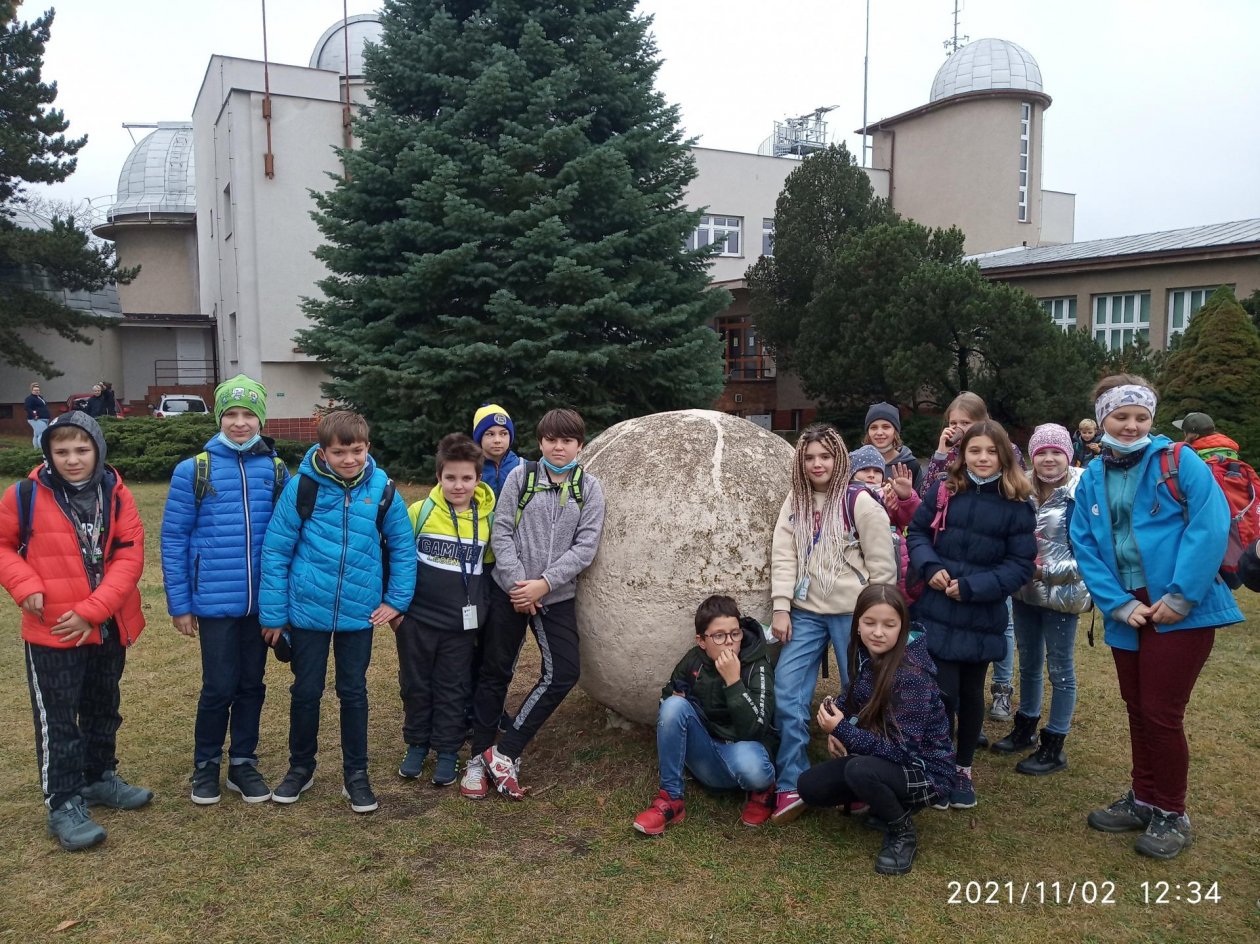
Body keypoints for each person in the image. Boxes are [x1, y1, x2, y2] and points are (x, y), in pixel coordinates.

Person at [1071, 376, 1243, 860]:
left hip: (1179, 607)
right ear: (1102, 419)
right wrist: (1117, 603)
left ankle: (1172, 811)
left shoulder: (1179, 461)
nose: (1130, 426)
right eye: (1120, 416)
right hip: (1130, 608)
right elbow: (1083, 541)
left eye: (1140, 417)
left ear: (1151, 419)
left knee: (1162, 713)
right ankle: (1144, 797)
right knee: (1136, 705)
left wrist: (1182, 596)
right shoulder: (1092, 475)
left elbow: (1210, 525)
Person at [0, 412, 152, 851]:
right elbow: (4, 546)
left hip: (107, 625)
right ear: (48, 453)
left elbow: (129, 556)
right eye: (61, 451)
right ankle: (63, 801)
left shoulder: (117, 494)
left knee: (103, 706)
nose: (72, 459)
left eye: (81, 450)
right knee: (59, 720)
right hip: (55, 631)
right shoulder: (25, 495)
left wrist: (95, 610)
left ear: (98, 450)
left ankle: (99, 777)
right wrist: (24, 584)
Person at [259, 410, 417, 814]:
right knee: (305, 691)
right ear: (324, 451)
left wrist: (396, 601)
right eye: (339, 451)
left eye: (357, 450)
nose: (349, 459)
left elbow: (401, 547)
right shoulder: (302, 488)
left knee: (354, 693)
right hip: (307, 611)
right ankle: (300, 768)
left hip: (359, 613)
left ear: (367, 448)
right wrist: (274, 614)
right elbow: (276, 550)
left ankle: (356, 776)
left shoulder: (382, 489)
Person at [462, 408, 605, 801]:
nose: (559, 448)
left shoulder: (589, 488)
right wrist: (518, 585)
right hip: (509, 591)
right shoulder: (520, 477)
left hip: (555, 595)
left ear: (580, 444)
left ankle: (504, 752)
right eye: (551, 440)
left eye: (568, 441)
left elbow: (585, 547)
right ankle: (477, 759)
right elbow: (501, 532)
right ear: (540, 441)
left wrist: (543, 585)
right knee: (495, 673)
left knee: (564, 673)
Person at [161, 374, 288, 805]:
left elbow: (289, 535)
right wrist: (180, 603)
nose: (239, 423)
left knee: (253, 684)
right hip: (214, 602)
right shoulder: (193, 470)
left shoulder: (274, 469)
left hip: (261, 603)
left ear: (261, 419)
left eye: (248, 414)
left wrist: (283, 600)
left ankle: (243, 763)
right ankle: (205, 765)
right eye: (231, 414)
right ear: (218, 418)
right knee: (218, 686)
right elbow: (174, 538)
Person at [768, 424, 896, 824]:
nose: (817, 464)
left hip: (852, 613)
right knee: (787, 689)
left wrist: (877, 621)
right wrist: (781, 606)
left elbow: (883, 567)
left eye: (825, 456)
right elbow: (785, 555)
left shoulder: (859, 501)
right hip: (805, 611)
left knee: (860, 693)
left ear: (839, 458)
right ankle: (792, 778)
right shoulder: (797, 501)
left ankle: (859, 776)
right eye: (809, 457)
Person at [905, 420, 1036, 809]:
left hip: (980, 612)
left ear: (1004, 456)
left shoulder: (1016, 503)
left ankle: (963, 767)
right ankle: (937, 762)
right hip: (936, 606)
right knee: (939, 691)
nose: (982, 458)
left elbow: (1020, 564)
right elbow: (917, 533)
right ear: (963, 455)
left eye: (990, 451)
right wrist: (930, 567)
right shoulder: (945, 490)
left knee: (969, 693)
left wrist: (976, 586)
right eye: (974, 451)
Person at [799, 584, 954, 875]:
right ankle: (879, 800)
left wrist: (843, 730)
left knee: (859, 771)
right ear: (857, 624)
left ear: (902, 627)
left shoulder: (911, 676)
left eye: (889, 624)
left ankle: (901, 831)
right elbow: (851, 695)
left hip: (927, 772)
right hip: (886, 757)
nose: (878, 632)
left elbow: (903, 752)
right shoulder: (867, 654)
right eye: (869, 623)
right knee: (810, 787)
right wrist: (836, 717)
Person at [916, 392, 1023, 725]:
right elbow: (928, 496)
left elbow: (1017, 554)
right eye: (953, 423)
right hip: (947, 576)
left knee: (996, 636)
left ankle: (1001, 689)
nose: (959, 429)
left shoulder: (1001, 457)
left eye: (966, 422)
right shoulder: (952, 460)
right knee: (944, 677)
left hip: (985, 580)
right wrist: (940, 452)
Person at [395, 433, 495, 787]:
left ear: (478, 479)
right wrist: (396, 610)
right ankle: (417, 744)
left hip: (460, 627)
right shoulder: (418, 512)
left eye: (467, 478)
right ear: (438, 477)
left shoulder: (489, 521)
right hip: (417, 621)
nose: (458, 485)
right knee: (416, 685)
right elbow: (396, 558)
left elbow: (492, 568)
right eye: (450, 477)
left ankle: (449, 751)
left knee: (453, 687)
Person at [632, 595, 778, 835]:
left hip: (741, 753)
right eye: (719, 636)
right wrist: (681, 705)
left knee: (754, 766)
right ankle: (671, 800)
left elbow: (757, 729)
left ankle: (762, 792)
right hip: (705, 753)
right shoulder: (693, 660)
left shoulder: (756, 664)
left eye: (735, 633)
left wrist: (733, 681)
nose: (729, 643)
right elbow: (667, 703)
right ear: (702, 641)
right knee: (672, 706)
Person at [995, 424, 1090, 775]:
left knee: (1060, 668)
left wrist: (1043, 571)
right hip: (1024, 592)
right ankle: (1026, 726)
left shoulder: (1082, 492)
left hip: (1064, 595)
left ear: (1069, 454)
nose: (1049, 459)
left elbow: (1090, 555)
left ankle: (1055, 742)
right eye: (1041, 453)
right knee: (1029, 662)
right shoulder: (1022, 490)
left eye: (1057, 452)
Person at [849, 445, 922, 603]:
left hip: (900, 573)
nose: (871, 475)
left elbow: (912, 521)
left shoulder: (889, 494)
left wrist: (905, 499)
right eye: (865, 470)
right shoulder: (847, 498)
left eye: (876, 471)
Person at [862, 402, 922, 492]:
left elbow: (920, 502)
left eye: (886, 427)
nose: (879, 433)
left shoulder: (911, 465)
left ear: (895, 432)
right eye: (873, 427)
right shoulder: (859, 463)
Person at [474, 403, 521, 498]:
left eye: (503, 434)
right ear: (479, 438)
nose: (497, 440)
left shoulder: (523, 467)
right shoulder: (469, 467)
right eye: (490, 434)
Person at [24, 381, 50, 449]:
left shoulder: (40, 397)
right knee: (43, 434)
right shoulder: (30, 398)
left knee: (36, 435)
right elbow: (27, 408)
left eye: (38, 390)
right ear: (32, 390)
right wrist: (34, 415)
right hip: (36, 419)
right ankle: (42, 450)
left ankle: (36, 450)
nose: (37, 391)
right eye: (35, 390)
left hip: (44, 418)